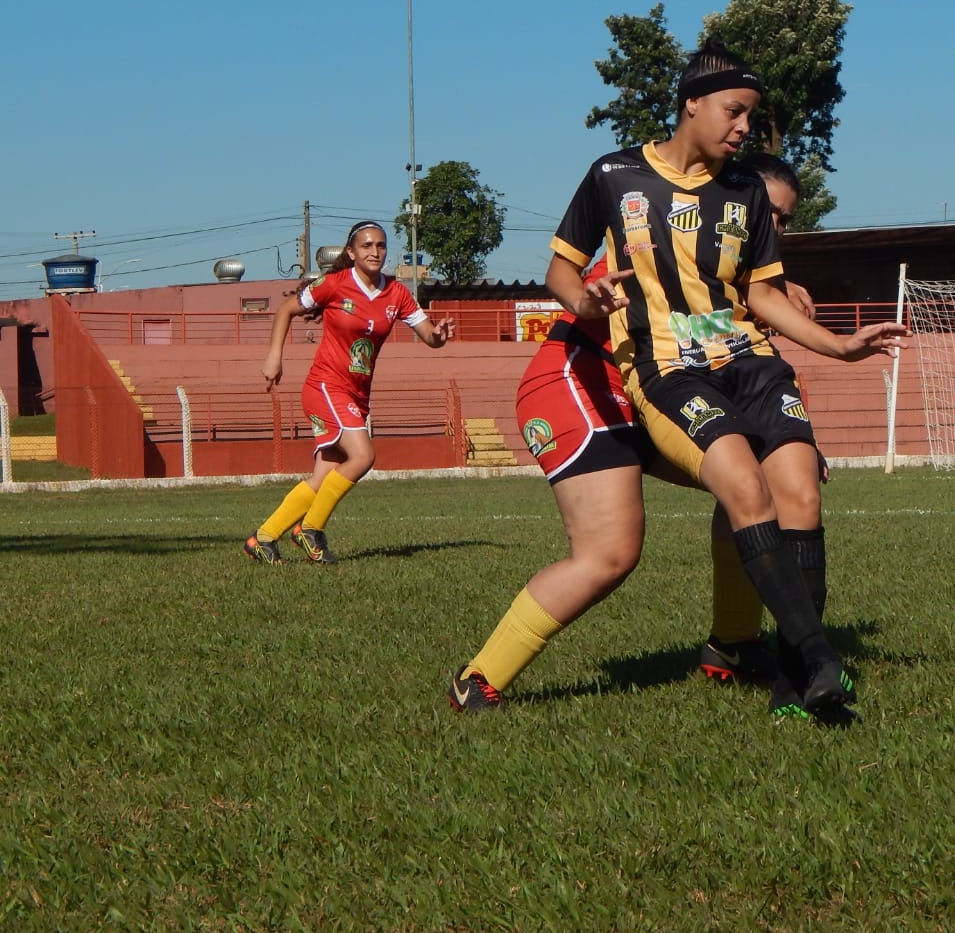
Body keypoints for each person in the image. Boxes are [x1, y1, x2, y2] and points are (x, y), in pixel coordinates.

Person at [542, 38, 908, 717]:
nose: (743, 128)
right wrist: (583, 300)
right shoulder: (613, 174)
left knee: (798, 490)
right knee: (743, 485)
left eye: (749, 118)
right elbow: (560, 269)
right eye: (734, 112)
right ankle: (819, 657)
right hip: (668, 370)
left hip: (751, 361)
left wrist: (840, 347)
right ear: (691, 104)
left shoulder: (744, 192)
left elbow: (764, 296)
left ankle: (793, 687)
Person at [449, 155, 821, 714]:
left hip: (654, 398)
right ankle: (478, 679)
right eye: (769, 213)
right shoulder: (664, 240)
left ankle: (733, 645)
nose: (776, 229)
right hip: (579, 385)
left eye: (786, 221)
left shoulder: (750, 279)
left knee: (753, 481)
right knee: (610, 552)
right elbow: (583, 284)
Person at [243, 220, 455, 564]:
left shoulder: (396, 293)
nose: (375, 252)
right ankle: (311, 529)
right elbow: (286, 309)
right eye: (367, 246)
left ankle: (262, 538)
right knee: (363, 456)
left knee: (324, 474)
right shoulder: (335, 284)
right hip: (326, 386)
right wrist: (273, 357)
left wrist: (440, 335)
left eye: (381, 245)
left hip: (357, 394)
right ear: (352, 252)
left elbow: (429, 336)